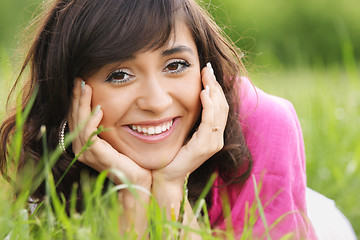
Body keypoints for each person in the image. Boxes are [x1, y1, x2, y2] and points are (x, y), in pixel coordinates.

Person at [0, 0, 356, 239]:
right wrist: (134, 188)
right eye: (119, 75)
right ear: (70, 89)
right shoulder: (47, 143)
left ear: (204, 68)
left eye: (175, 65)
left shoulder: (264, 122)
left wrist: (171, 187)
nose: (156, 102)